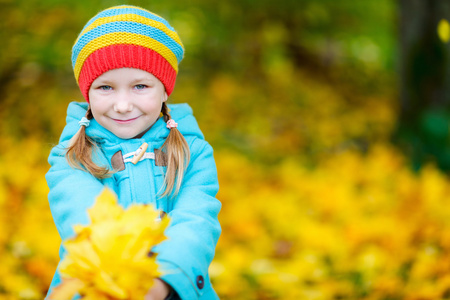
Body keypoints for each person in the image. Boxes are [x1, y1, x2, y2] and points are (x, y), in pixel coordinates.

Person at [45, 5, 222, 300]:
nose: (123, 105)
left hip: (172, 289)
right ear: (86, 93)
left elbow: (196, 220)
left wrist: (162, 281)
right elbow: (85, 218)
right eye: (106, 87)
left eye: (140, 85)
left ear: (165, 90)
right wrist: (122, 275)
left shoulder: (194, 154)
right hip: (97, 289)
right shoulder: (71, 157)